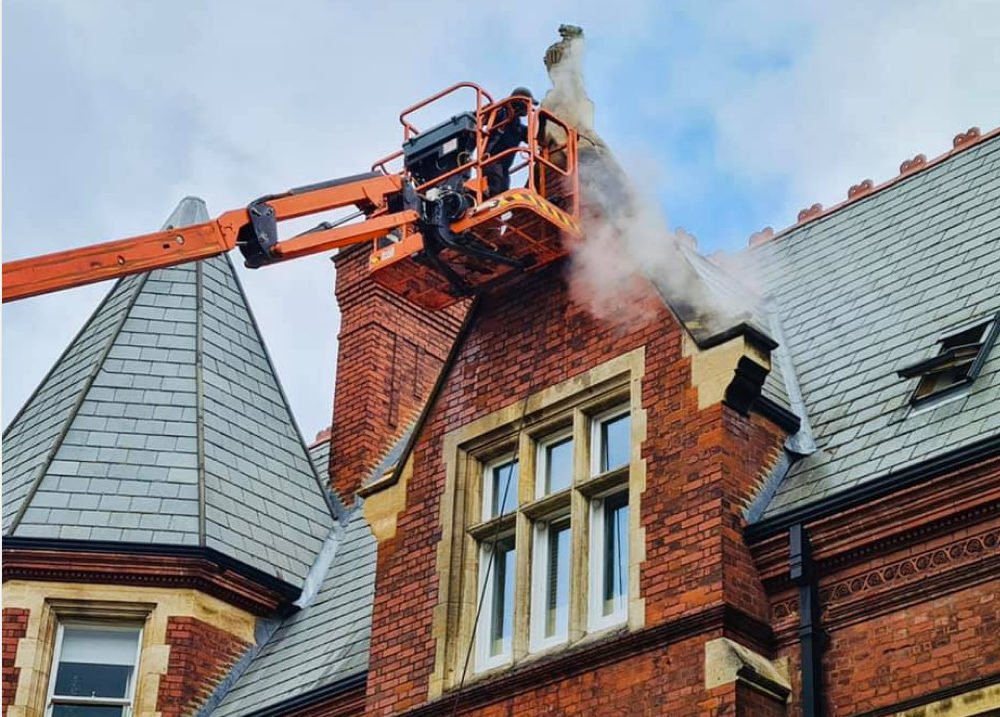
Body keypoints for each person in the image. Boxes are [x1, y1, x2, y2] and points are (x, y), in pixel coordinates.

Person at [483, 87, 534, 198]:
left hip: (503, 168)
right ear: (519, 102)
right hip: (491, 161)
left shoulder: (518, 128)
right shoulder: (500, 113)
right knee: (495, 191)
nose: (529, 109)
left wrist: (543, 121)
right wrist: (489, 111)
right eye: (527, 104)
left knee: (505, 193)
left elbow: (534, 136)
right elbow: (481, 117)